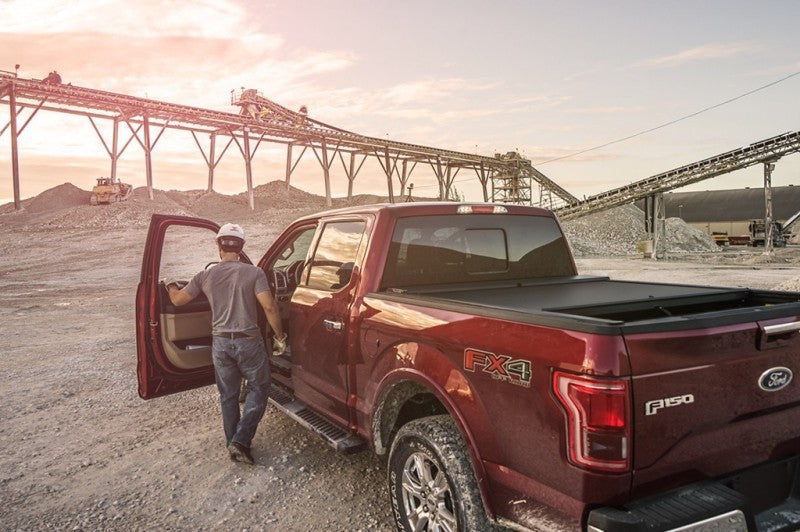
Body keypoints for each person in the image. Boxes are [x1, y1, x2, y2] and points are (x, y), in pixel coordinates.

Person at [165, 223, 287, 465]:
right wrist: (280, 337)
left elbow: (178, 301)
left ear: (218, 245)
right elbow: (270, 307)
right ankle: (240, 441)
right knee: (260, 388)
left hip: (220, 343)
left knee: (228, 395)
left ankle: (233, 442)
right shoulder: (254, 273)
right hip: (249, 341)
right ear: (241, 247)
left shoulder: (205, 276)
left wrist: (169, 285)